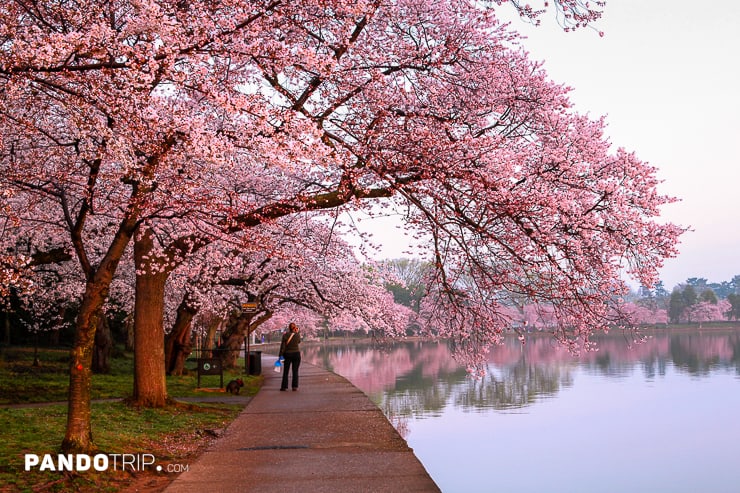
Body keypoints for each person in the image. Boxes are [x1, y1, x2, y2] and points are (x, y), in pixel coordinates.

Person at [278, 322, 301, 391]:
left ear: (289, 328)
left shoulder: (285, 335)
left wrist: (280, 355)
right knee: (295, 371)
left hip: (287, 354)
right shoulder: (297, 335)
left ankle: (284, 387)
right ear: (295, 328)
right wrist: (297, 332)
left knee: (286, 371)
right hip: (296, 354)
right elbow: (299, 342)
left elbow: (283, 346)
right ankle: (294, 386)